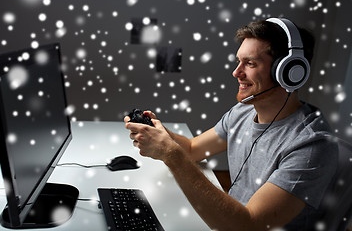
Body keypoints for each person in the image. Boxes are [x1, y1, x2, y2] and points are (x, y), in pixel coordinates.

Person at [124, 18, 338, 231]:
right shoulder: (244, 111)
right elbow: (192, 149)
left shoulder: (312, 145)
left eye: (250, 63)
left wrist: (172, 155)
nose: (236, 72)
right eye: (239, 61)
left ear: (289, 72)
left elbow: (248, 225)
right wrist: (156, 131)